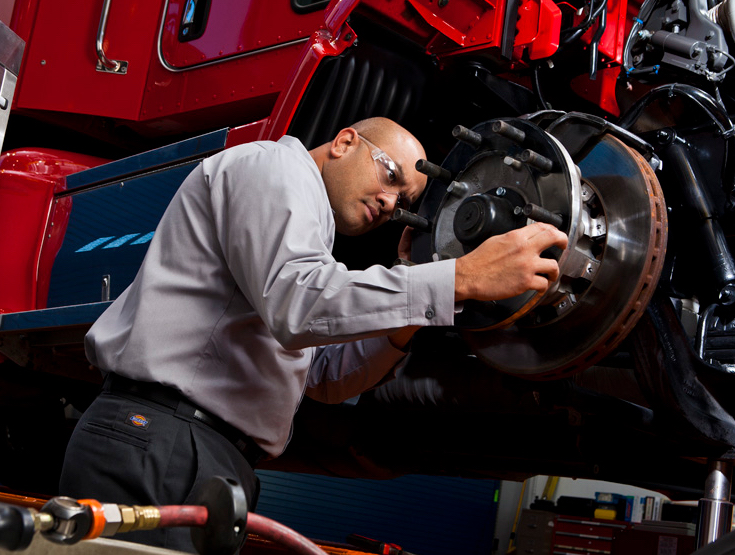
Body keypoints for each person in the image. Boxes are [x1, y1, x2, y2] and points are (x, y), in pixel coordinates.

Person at [59, 117, 567, 552]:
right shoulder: (273, 170)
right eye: (389, 174)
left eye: (404, 201)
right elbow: (298, 302)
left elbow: (325, 377)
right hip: (163, 436)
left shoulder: (309, 238)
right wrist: (461, 279)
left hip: (203, 452)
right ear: (345, 142)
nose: (391, 203)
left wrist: (417, 298)